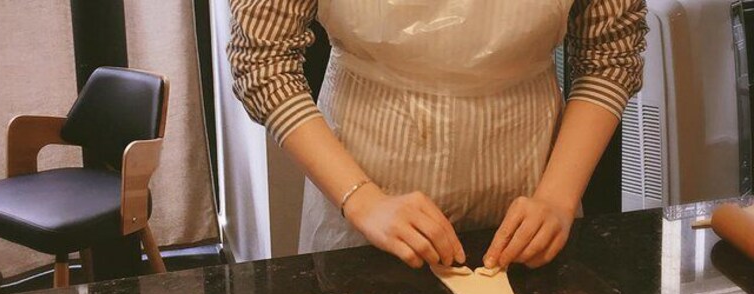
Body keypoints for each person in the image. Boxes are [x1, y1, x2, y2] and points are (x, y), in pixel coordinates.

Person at [228, 1, 647, 269]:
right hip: (363, 193)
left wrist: (557, 197)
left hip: (528, 193)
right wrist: (362, 199)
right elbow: (263, 61)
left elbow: (608, 54)